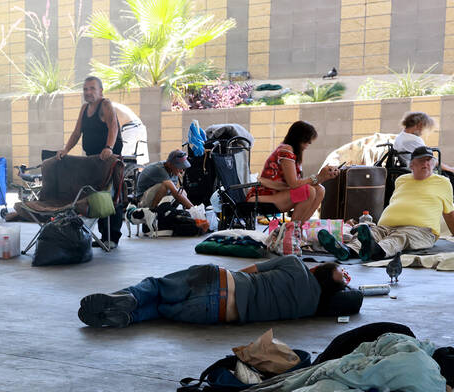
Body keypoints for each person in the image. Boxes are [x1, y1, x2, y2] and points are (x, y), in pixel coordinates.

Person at [77, 255, 357, 328]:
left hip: (218, 281)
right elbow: (353, 298)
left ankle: (127, 297)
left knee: (158, 286)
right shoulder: (310, 309)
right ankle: (128, 318)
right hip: (216, 313)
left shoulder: (296, 265)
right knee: (161, 309)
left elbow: (252, 271)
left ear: (314, 269)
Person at [54, 76, 125, 247]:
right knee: (96, 196)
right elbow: (77, 132)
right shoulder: (84, 108)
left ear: (101, 91)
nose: (88, 92)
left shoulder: (106, 104)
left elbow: (113, 126)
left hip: (109, 158)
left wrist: (108, 147)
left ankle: (112, 238)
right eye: (85, 89)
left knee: (110, 196)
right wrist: (66, 150)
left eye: (92, 88)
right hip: (93, 159)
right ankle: (102, 236)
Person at [351, 146, 454, 262]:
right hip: (387, 226)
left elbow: (449, 213)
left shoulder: (443, 183)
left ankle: (377, 250)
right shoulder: (401, 180)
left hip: (420, 230)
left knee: (400, 237)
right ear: (411, 165)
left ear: (434, 163)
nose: (425, 164)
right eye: (421, 160)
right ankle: (348, 250)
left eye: (428, 160)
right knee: (373, 232)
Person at [247, 121, 340, 229]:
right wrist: (318, 176)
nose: (307, 145)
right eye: (306, 141)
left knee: (320, 190)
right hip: (262, 196)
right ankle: (291, 232)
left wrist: (323, 177)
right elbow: (294, 183)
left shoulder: (294, 153)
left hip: (279, 194)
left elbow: (298, 184)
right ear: (298, 138)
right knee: (308, 191)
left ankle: (299, 228)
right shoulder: (286, 150)